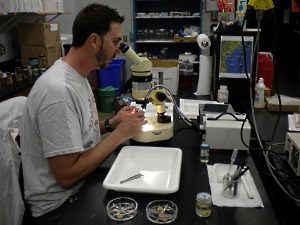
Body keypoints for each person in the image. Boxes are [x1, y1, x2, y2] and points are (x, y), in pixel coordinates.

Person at [20, 3, 147, 225]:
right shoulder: (57, 90)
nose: (119, 49)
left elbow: (76, 131)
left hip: (82, 184)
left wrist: (111, 124)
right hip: (58, 207)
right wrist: (120, 134)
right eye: (115, 41)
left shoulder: (80, 76)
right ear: (94, 40)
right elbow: (66, 176)